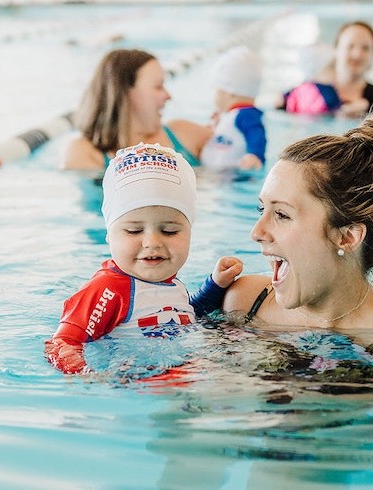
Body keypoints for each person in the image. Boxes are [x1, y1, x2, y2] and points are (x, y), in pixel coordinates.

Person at [220, 113, 373, 398]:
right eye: (263, 210)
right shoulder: (245, 302)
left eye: (282, 214)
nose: (257, 232)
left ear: (347, 236)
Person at [46, 143, 243, 374]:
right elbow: (62, 343)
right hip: (139, 383)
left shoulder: (170, 284)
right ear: (109, 235)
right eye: (134, 231)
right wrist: (86, 376)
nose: (152, 242)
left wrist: (216, 285)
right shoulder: (108, 289)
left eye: (169, 231)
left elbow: (184, 316)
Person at [62, 48, 212, 171]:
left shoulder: (185, 134)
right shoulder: (85, 153)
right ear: (125, 93)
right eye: (158, 86)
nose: (168, 96)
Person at [282, 21, 373, 118]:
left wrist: (367, 111)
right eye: (350, 46)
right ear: (336, 50)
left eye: (365, 48)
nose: (357, 54)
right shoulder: (312, 94)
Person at [200, 46, 266, 172]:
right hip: (222, 174)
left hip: (233, 176)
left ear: (230, 92)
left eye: (216, 89)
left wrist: (255, 155)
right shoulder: (232, 116)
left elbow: (256, 134)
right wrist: (215, 128)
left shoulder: (246, 114)